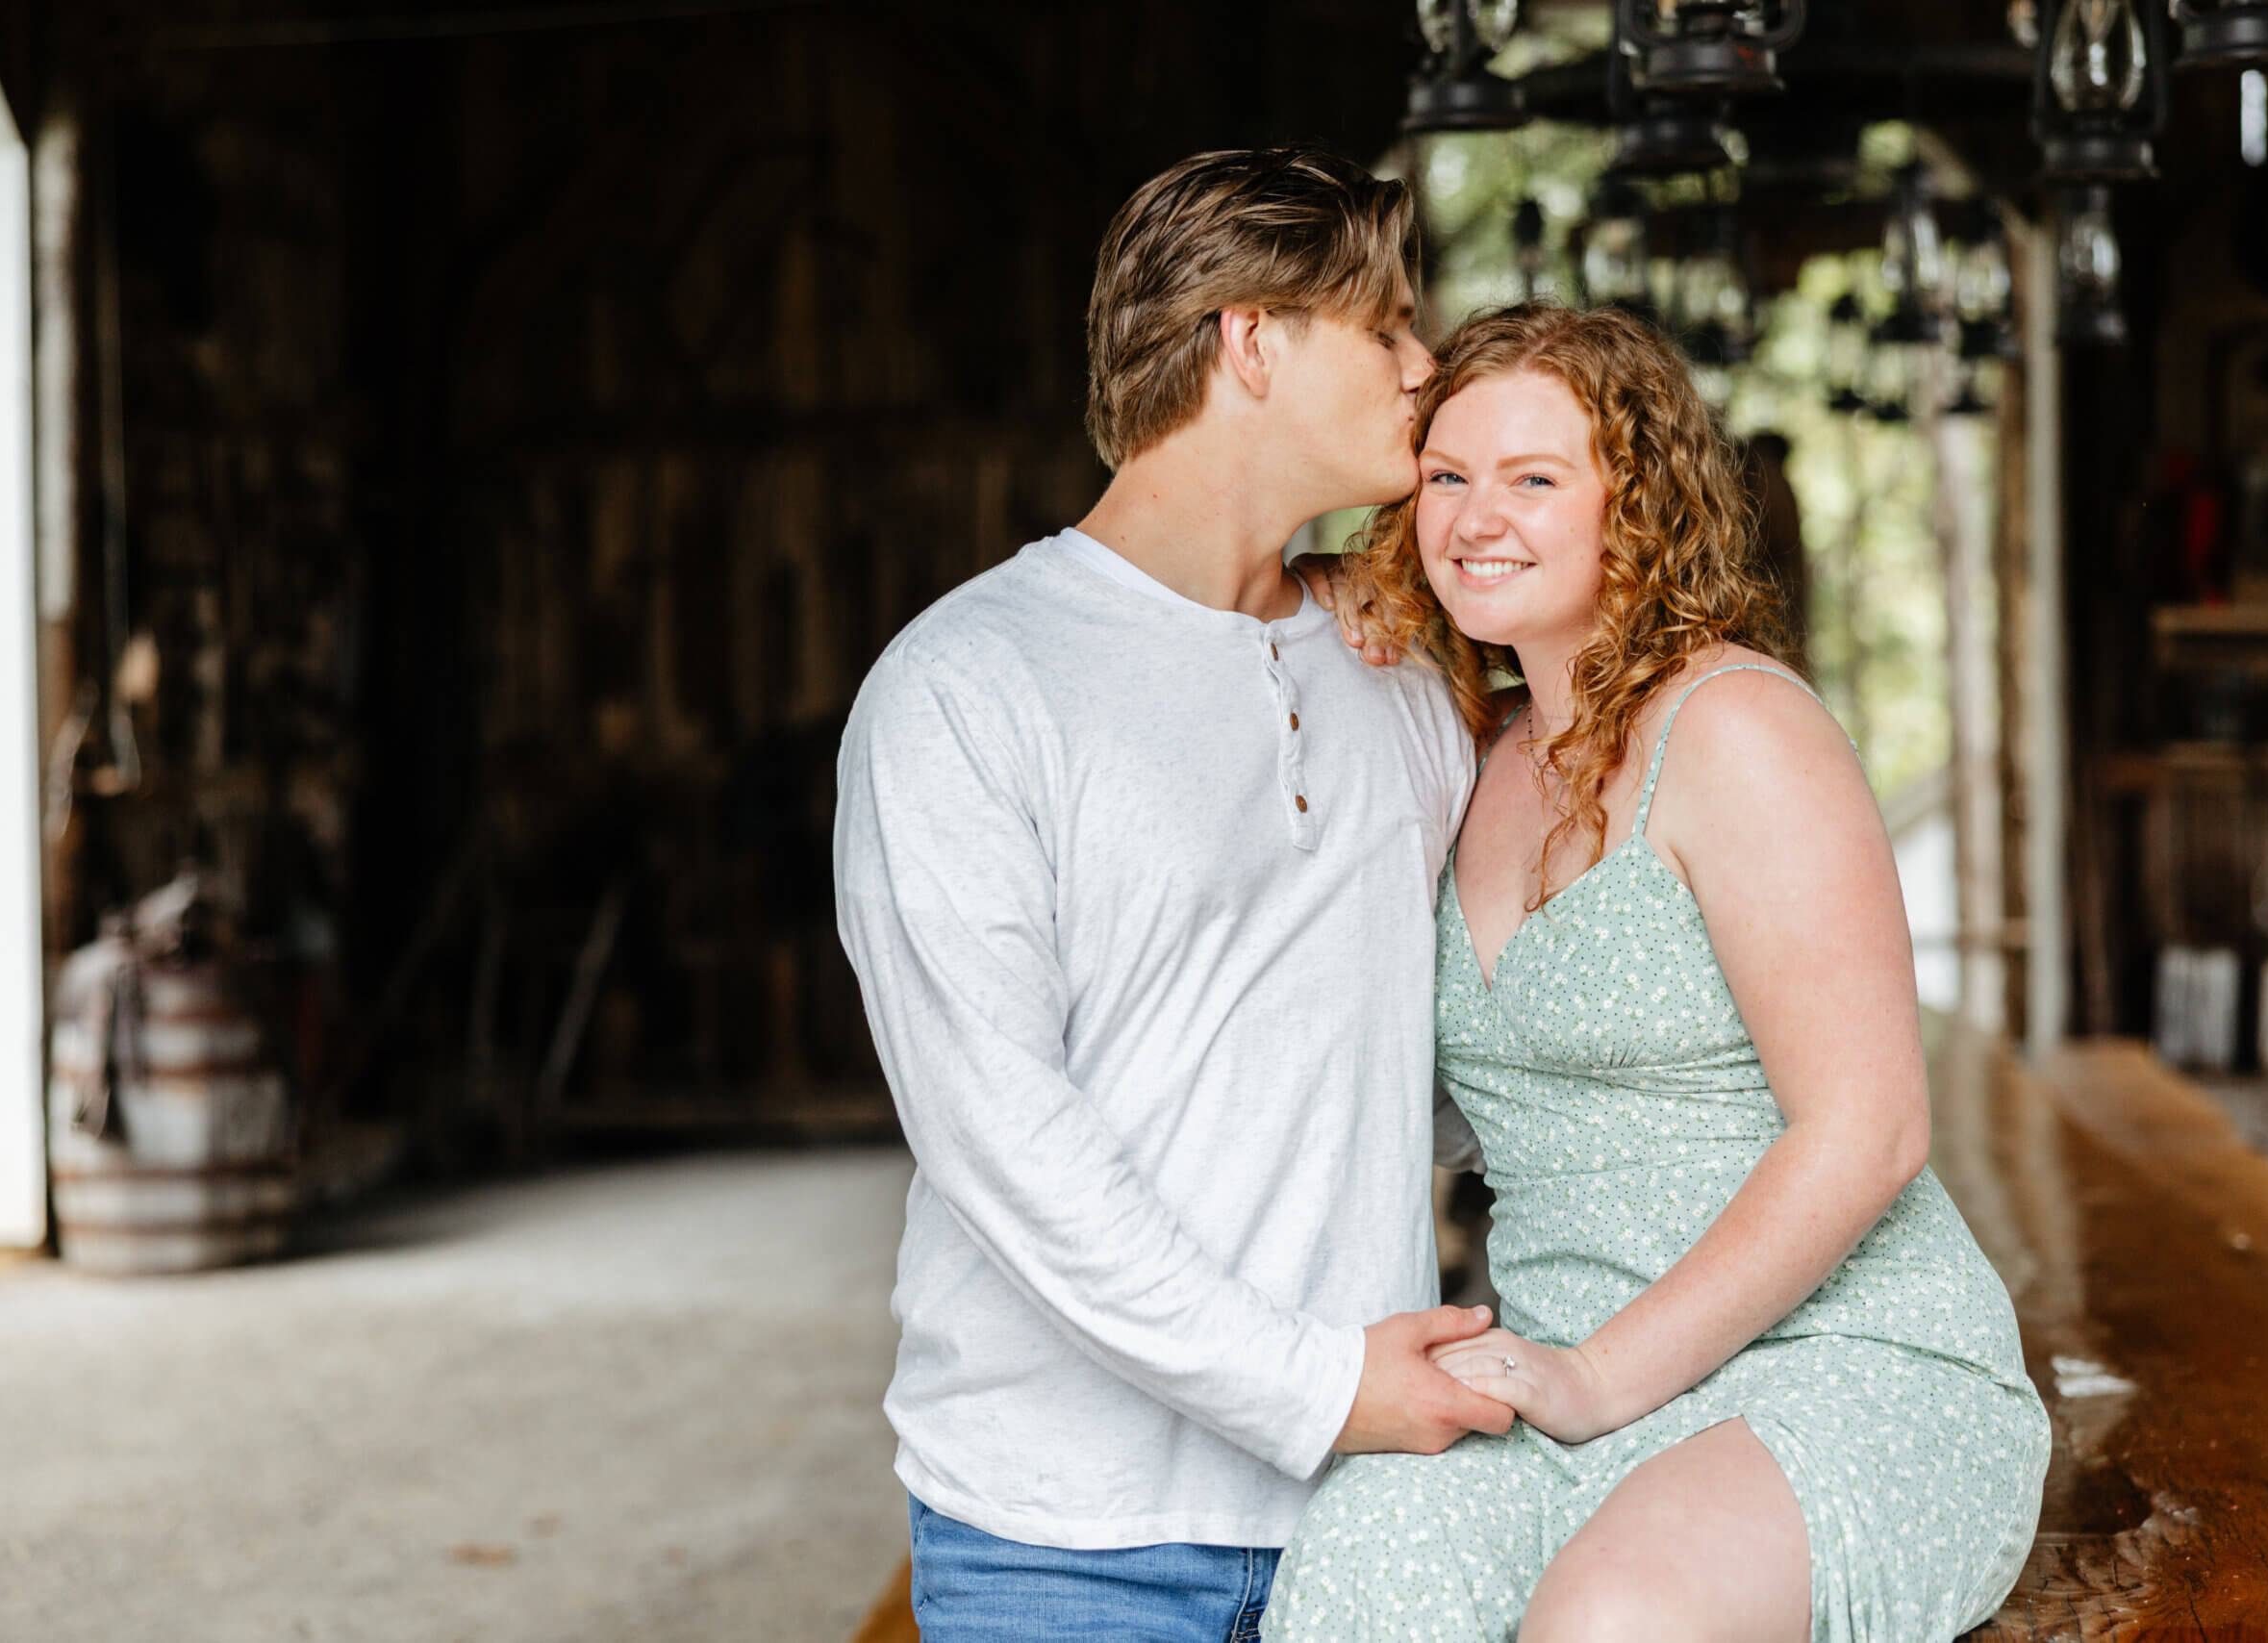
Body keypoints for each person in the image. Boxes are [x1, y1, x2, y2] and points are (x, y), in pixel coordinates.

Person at [1266, 304, 2050, 1643]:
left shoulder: (1737, 727)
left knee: (1614, 1620)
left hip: (1838, 1367)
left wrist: (1596, 1377)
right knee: (1349, 1580)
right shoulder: (1470, 746)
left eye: (1534, 478)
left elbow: (1871, 1132)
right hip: (1562, 1370)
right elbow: (1253, 597)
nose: (1475, 516)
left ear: (1634, 503)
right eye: (1446, 477)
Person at [832, 146, 1518, 1643]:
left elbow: (1444, 1054)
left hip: (1374, 1521)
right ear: (1251, 341)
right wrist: (1320, 1386)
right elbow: (1002, 1140)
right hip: (1065, 1534)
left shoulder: (1401, 675)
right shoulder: (967, 687)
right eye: (1386, 326)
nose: (1424, 367)